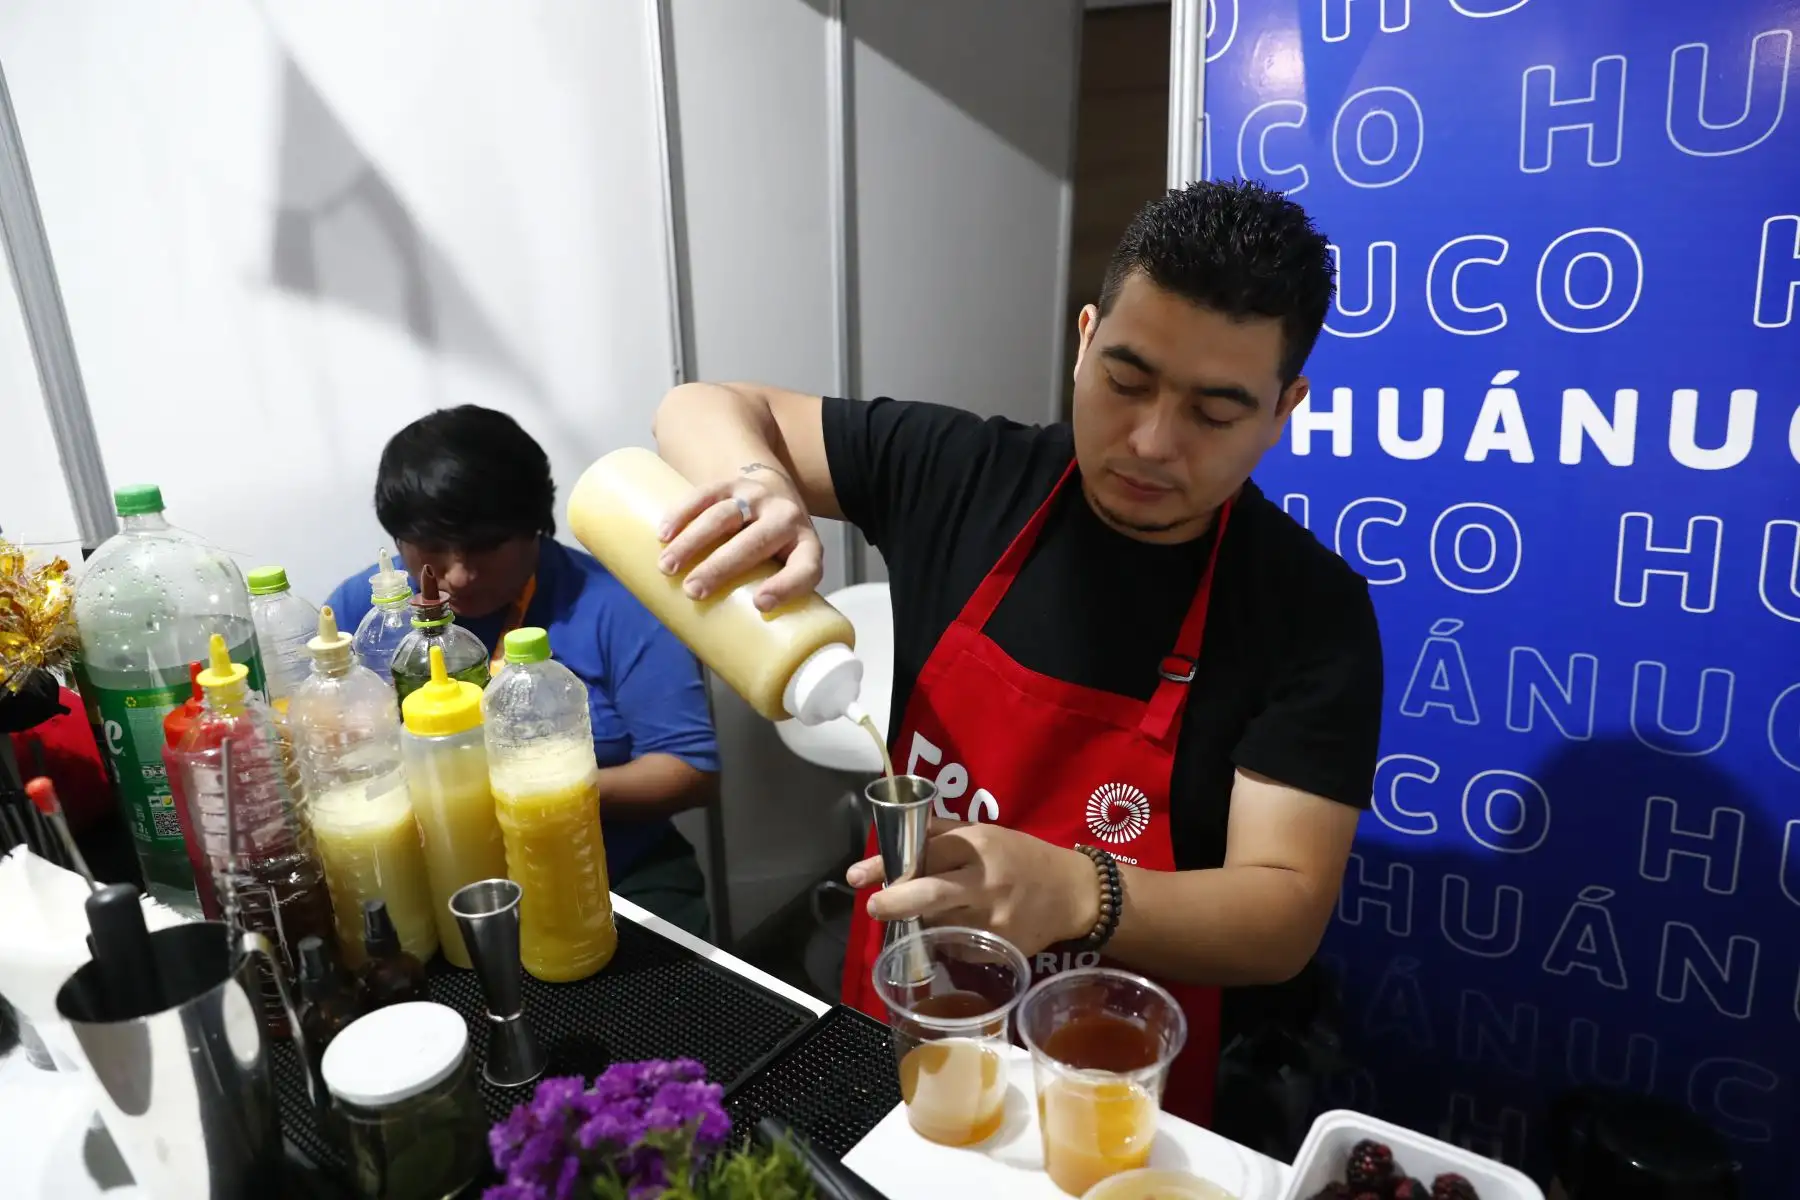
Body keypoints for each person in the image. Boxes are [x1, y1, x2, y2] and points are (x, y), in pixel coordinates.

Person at [650, 179, 1381, 1127]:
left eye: (1215, 411)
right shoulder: (962, 474)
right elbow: (698, 406)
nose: (1153, 442)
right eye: (1125, 380)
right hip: (907, 1022)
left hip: (1113, 1078)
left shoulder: (1309, 610)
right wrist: (758, 484)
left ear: (1284, 409)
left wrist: (1083, 890)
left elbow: (1281, 915)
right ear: (1084, 339)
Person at [324, 406, 720, 937]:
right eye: (434, 549)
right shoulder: (367, 617)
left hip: (608, 874)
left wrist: (537, 788)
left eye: (488, 546)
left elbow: (690, 769)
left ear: (535, 526)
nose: (459, 576)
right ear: (398, 539)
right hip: (433, 879)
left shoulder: (615, 605)